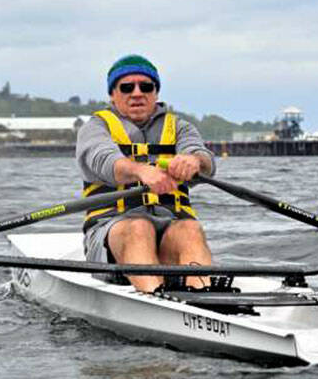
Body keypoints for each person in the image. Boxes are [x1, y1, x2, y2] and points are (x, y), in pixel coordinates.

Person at [76, 54, 216, 293]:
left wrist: (194, 161)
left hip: (169, 231)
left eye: (146, 86)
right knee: (138, 227)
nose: (137, 93)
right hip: (112, 237)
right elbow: (103, 160)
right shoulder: (95, 128)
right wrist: (140, 171)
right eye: (127, 87)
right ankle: (157, 302)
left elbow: (205, 160)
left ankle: (204, 298)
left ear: (156, 92)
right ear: (113, 94)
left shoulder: (180, 127)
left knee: (190, 228)